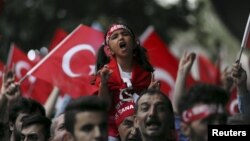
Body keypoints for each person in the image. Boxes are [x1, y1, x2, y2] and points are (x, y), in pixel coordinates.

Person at [92, 22, 159, 140]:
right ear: (109, 50)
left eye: (125, 34)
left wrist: (150, 93)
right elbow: (104, 106)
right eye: (115, 37)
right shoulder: (105, 73)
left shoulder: (146, 74)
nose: (121, 38)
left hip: (140, 127)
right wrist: (103, 84)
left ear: (134, 43)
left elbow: (148, 107)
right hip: (111, 130)